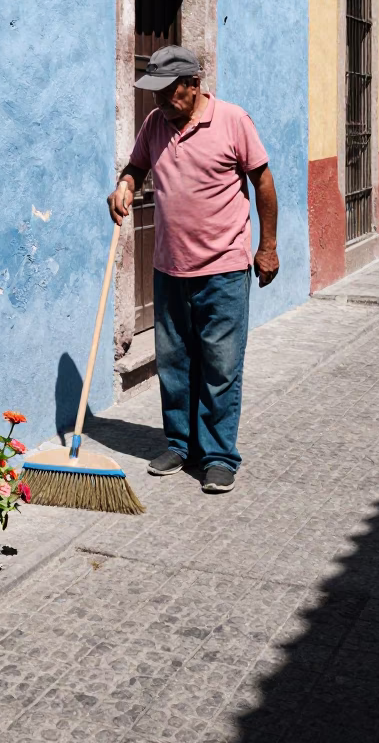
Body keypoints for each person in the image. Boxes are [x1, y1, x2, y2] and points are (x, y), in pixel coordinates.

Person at [107, 46, 278, 494]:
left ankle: (219, 455)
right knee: (175, 363)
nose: (160, 102)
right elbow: (137, 167)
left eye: (168, 92)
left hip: (223, 268)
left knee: (220, 366)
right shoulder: (154, 124)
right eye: (155, 94)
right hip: (169, 268)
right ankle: (181, 444)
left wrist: (269, 247)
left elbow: (263, 181)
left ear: (194, 84)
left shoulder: (233, 121)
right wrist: (124, 186)